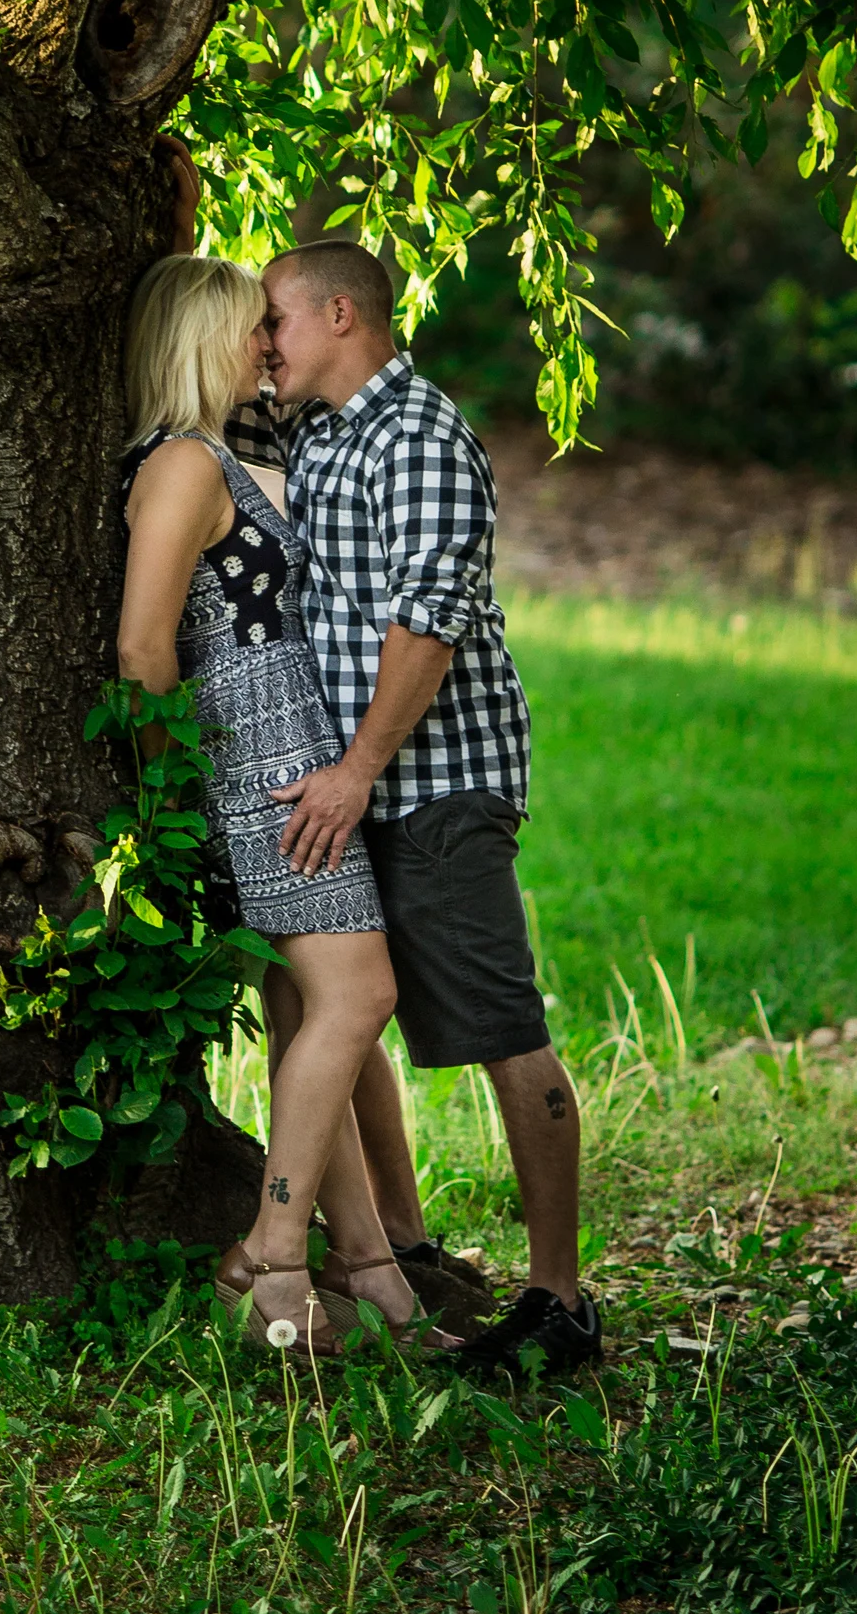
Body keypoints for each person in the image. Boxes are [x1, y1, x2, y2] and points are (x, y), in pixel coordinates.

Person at [262, 236, 603, 1382]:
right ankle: (400, 1249)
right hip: (346, 787)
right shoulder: (313, 430)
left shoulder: (418, 436)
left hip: (435, 781)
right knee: (334, 1009)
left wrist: (356, 767)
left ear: (342, 315)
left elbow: (430, 620)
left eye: (278, 321)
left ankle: (559, 1301)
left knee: (501, 1030)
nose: (266, 343)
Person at [114, 254, 441, 1357]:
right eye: (249, 329)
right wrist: (178, 795)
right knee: (358, 995)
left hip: (293, 754)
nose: (268, 343)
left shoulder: (226, 455)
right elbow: (144, 648)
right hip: (257, 764)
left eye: (272, 327)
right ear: (199, 339)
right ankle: (270, 1253)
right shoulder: (177, 466)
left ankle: (377, 1277)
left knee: (317, 1009)